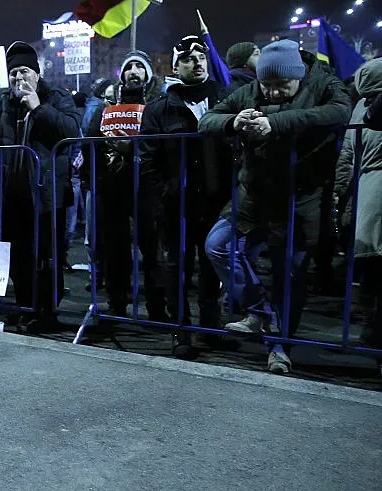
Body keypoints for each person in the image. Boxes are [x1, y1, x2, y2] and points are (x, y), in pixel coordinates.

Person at [200, 39, 351, 374]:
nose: (271, 92)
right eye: (266, 86)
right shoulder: (252, 88)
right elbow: (208, 119)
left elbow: (340, 111)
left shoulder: (325, 82)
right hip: (254, 193)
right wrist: (234, 121)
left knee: (290, 275)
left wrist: (274, 121)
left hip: (303, 197)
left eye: (281, 86)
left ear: (298, 77)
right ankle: (259, 311)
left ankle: (279, 346)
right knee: (218, 246)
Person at [0, 41, 83, 333]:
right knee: (18, 257)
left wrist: (38, 108)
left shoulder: (57, 97)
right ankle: (25, 308)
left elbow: (71, 130)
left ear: (36, 73)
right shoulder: (0, 104)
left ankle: (47, 312)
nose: (18, 78)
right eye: (13, 74)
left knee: (47, 256)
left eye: (24, 71)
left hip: (48, 195)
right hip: (12, 193)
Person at [141, 35, 233, 359]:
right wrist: (164, 194)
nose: (198, 63)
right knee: (178, 268)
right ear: (176, 67)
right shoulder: (159, 109)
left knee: (211, 267)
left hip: (216, 200)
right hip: (176, 205)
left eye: (202, 57)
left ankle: (211, 326)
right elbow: (149, 160)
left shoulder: (225, 99)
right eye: (189, 59)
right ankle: (181, 330)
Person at [85, 50, 168, 321]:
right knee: (115, 248)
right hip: (112, 187)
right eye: (129, 67)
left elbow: (162, 143)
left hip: (147, 186)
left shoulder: (158, 106)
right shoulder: (104, 109)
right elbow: (90, 143)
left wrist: (131, 148)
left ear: (147, 73)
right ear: (121, 75)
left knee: (152, 247)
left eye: (139, 67)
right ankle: (117, 304)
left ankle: (157, 308)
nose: (134, 71)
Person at [335, 58, 382, 348]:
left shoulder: (361, 106)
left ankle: (371, 329)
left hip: (364, 192)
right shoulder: (366, 108)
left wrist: (341, 194)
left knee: (370, 268)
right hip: (369, 192)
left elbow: (346, 156)